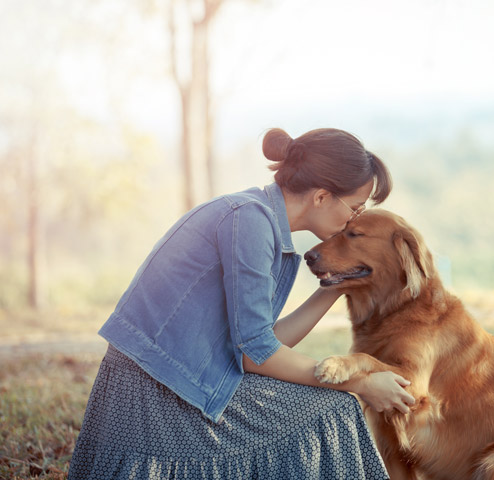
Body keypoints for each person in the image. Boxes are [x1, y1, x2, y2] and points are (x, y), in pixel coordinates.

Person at [67, 128, 415, 480]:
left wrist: (334, 287)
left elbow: (260, 343)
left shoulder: (258, 218)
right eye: (355, 208)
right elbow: (255, 355)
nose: (354, 220)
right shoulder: (249, 221)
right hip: (156, 396)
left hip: (187, 380)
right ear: (323, 196)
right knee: (332, 409)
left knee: (327, 406)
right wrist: (359, 383)